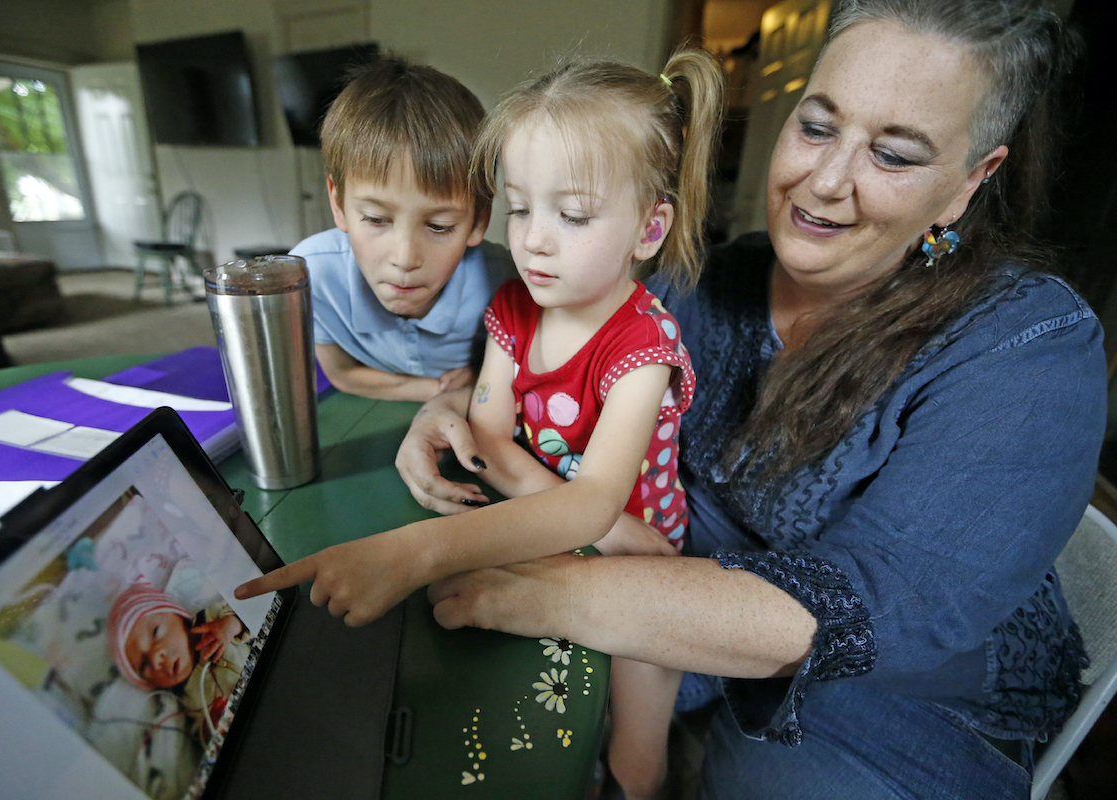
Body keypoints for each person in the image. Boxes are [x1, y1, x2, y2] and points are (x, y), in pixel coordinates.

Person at [399, 1, 1107, 798]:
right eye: (816, 127)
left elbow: (878, 608)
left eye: (894, 155)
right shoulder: (706, 282)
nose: (827, 181)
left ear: (969, 182)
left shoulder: (1025, 346)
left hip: (895, 707)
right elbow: (562, 361)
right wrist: (456, 404)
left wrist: (561, 596)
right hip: (674, 609)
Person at [462, 52, 720, 800]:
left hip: (644, 562)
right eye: (519, 207)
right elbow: (487, 437)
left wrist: (581, 512)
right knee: (549, 714)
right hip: (584, 530)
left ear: (648, 229)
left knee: (634, 754)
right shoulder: (515, 306)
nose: (535, 239)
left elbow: (598, 497)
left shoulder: (643, 347)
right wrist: (583, 515)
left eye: (571, 215)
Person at [290, 54, 514, 402]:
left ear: (479, 219)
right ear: (338, 203)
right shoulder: (308, 277)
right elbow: (341, 372)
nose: (405, 259)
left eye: (439, 226)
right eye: (377, 219)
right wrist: (435, 391)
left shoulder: (507, 282)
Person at [107, 580, 249, 740]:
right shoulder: (183, 700)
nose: (155, 659)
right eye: (143, 665)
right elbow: (199, 734)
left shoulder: (212, 618)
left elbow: (254, 611)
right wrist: (211, 727)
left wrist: (231, 625)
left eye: (155, 632)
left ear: (178, 615)